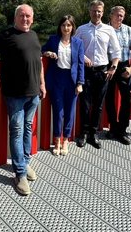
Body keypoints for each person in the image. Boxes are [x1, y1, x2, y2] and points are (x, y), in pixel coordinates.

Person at [0, 4, 46, 196]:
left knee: (27, 128)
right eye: (21, 16)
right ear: (15, 17)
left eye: (28, 16)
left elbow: (39, 61)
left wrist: (42, 84)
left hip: (33, 93)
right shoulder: (6, 35)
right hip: (15, 94)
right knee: (17, 131)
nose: (25, 19)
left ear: (32, 19)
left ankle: (24, 164)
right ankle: (19, 174)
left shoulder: (34, 35)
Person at [75, 0, 121, 149]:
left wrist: (113, 67)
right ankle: (83, 133)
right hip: (86, 72)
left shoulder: (108, 30)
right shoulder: (81, 29)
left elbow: (116, 51)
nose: (96, 13)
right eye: (94, 11)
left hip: (103, 72)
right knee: (85, 105)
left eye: (99, 11)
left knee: (99, 106)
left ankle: (94, 133)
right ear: (90, 11)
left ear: (103, 12)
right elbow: (74, 48)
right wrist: (83, 57)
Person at [42, 15, 85, 156]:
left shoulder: (78, 42)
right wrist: (47, 53)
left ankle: (66, 139)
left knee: (70, 112)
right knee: (58, 112)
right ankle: (57, 140)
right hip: (56, 79)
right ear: (59, 27)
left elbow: (80, 64)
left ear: (73, 27)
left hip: (71, 80)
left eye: (68, 25)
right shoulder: (53, 40)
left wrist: (80, 83)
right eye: (63, 25)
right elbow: (41, 50)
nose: (66, 28)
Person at [105, 6, 131, 145]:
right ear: (111, 15)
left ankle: (123, 130)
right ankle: (113, 127)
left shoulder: (128, 30)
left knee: (127, 98)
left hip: (124, 66)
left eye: (122, 16)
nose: (120, 18)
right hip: (108, 66)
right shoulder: (104, 29)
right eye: (117, 15)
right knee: (109, 97)